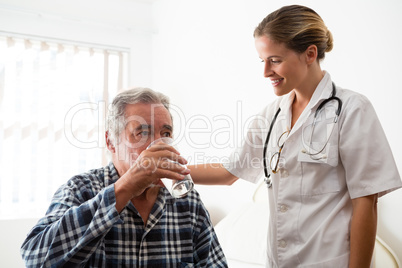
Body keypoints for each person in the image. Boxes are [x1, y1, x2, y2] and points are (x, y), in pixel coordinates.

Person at [189, 5, 402, 268]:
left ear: (310, 54)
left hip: (328, 261)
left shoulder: (352, 109)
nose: (265, 72)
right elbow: (229, 172)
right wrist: (164, 170)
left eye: (275, 60)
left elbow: (366, 201)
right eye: (262, 61)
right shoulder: (271, 115)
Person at [20, 87, 228, 267]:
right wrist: (125, 187)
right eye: (142, 133)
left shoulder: (187, 201)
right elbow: (35, 258)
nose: (159, 145)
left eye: (165, 134)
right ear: (111, 142)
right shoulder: (81, 189)